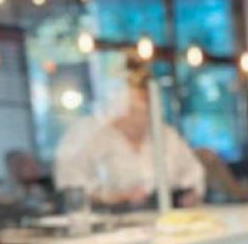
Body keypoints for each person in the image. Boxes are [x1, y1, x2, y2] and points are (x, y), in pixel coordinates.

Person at [54, 53, 205, 209]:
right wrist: (115, 198)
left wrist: (188, 196)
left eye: (147, 105)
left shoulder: (167, 136)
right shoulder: (87, 137)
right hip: (107, 219)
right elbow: (71, 188)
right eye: (134, 108)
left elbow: (193, 176)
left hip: (164, 217)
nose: (142, 113)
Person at [0, 150, 53, 214]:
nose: (33, 167)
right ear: (11, 169)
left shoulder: (36, 189)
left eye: (32, 162)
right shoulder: (0, 193)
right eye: (24, 164)